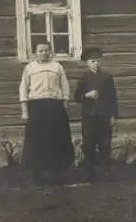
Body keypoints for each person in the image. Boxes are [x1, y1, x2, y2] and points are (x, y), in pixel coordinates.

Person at [19, 40, 75, 185]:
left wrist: (64, 103)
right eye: (40, 50)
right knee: (36, 140)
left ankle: (57, 173)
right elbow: (23, 89)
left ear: (50, 51)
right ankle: (37, 174)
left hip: (54, 106)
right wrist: (25, 110)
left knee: (57, 138)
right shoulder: (30, 68)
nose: (44, 53)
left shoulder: (57, 67)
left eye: (46, 50)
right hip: (36, 106)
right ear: (35, 53)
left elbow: (65, 86)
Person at [74, 47, 118, 181]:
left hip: (104, 115)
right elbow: (77, 97)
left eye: (98, 61)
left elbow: (113, 97)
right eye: (93, 61)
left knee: (105, 144)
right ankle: (89, 172)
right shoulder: (84, 78)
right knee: (88, 144)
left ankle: (106, 171)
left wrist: (112, 115)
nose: (96, 64)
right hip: (89, 115)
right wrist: (87, 95)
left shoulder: (107, 77)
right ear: (87, 63)